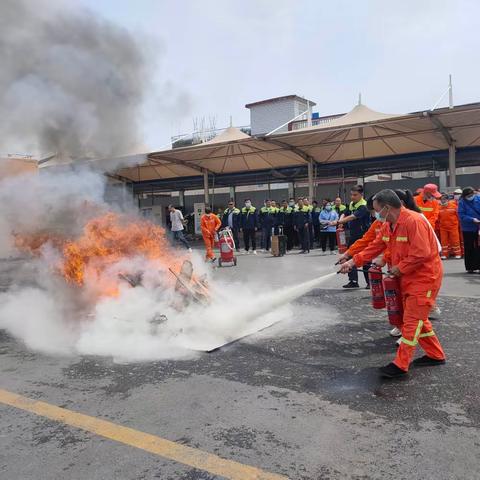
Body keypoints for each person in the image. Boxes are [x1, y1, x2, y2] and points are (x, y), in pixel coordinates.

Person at [339, 189, 446, 378]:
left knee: (412, 322)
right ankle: (436, 355)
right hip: (406, 278)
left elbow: (422, 253)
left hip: (424, 279)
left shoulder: (414, 221)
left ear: (387, 208)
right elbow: (375, 246)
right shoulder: (389, 224)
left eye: (377, 210)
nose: (376, 214)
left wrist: (400, 268)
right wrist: (352, 261)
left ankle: (400, 364)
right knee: (419, 319)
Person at [334, 185, 371, 288]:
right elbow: (345, 213)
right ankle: (353, 281)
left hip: (363, 236)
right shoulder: (351, 204)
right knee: (349, 257)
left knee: (366, 258)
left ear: (361, 194)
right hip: (353, 235)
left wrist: (339, 221)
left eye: (355, 195)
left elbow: (353, 216)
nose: (352, 197)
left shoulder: (364, 206)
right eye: (351, 194)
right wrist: (341, 221)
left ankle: (370, 282)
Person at [457, 187, 480, 273]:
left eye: (472, 195)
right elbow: (461, 215)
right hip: (468, 228)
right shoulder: (462, 203)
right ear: (464, 196)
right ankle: (470, 267)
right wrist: (472, 219)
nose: (471, 196)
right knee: (469, 247)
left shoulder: (478, 198)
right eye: (469, 195)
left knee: (478, 246)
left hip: (479, 227)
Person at [438, 193, 462, 260]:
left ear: (447, 199)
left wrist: (458, 225)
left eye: (444, 199)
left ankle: (458, 254)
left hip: (453, 226)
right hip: (443, 227)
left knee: (455, 241)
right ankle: (445, 255)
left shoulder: (453, 206)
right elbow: (438, 218)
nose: (443, 200)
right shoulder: (439, 208)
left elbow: (458, 216)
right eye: (442, 199)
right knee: (444, 241)